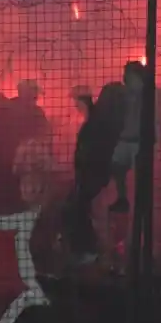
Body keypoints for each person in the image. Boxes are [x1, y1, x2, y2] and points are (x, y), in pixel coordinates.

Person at [65, 82, 125, 264]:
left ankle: (94, 253)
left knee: (89, 213)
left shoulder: (100, 123)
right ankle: (103, 254)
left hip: (96, 177)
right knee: (94, 215)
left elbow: (91, 150)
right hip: (101, 177)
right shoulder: (113, 121)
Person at [108, 61, 146, 213]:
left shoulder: (147, 93)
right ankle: (122, 199)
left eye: (128, 73)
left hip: (139, 141)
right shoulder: (122, 93)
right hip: (123, 139)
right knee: (117, 169)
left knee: (140, 175)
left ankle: (141, 203)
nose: (125, 76)